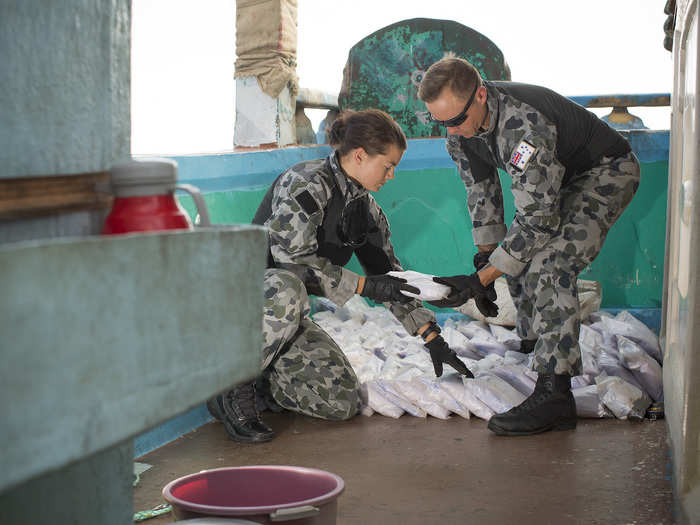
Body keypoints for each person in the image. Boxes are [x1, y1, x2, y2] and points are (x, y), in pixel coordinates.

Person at [208, 109, 481, 443]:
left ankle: (263, 378)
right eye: (389, 165)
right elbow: (291, 263)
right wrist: (364, 286)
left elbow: (390, 278)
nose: (392, 175)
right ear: (361, 155)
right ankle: (231, 387)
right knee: (288, 288)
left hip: (280, 320)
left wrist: (431, 336)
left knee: (339, 399)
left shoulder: (364, 209)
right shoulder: (305, 183)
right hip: (244, 302)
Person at [418, 57, 640, 436]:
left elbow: (538, 219)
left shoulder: (523, 126)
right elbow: (481, 190)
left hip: (606, 172)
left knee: (551, 262)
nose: (451, 131)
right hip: (561, 183)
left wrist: (480, 279)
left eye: (456, 120)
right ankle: (537, 341)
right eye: (441, 123)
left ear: (481, 96)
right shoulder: (461, 131)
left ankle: (555, 392)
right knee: (515, 252)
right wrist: (486, 263)